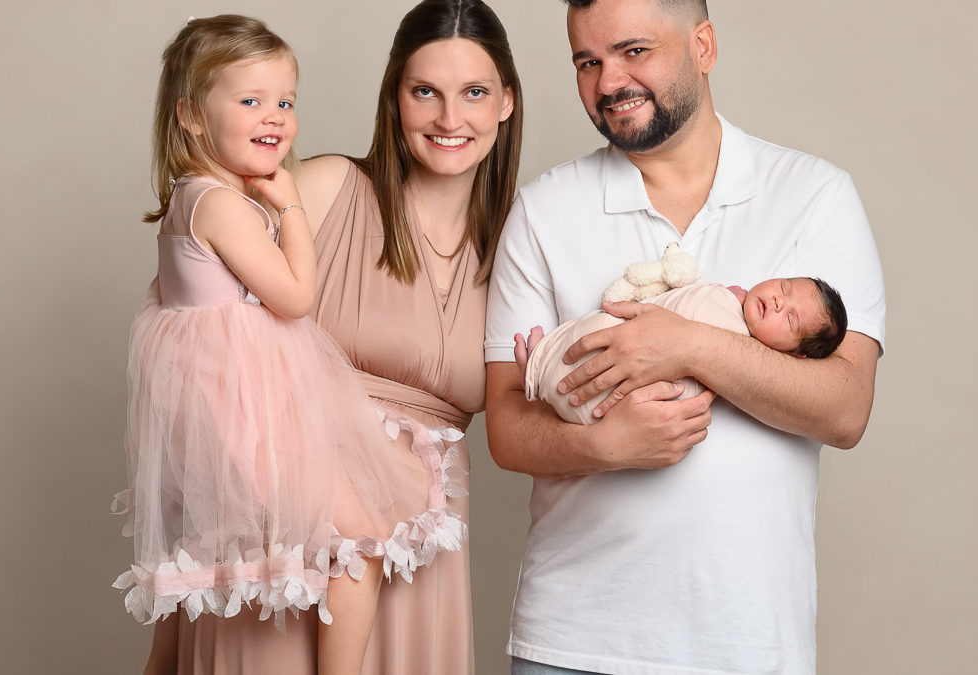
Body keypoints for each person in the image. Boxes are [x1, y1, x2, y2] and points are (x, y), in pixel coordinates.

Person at [484, 0, 885, 672]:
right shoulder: (544, 210)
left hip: (748, 642)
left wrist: (691, 345)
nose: (608, 81)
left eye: (633, 51)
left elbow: (845, 409)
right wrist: (602, 444)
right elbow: (504, 423)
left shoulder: (815, 195)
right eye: (588, 61)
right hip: (574, 640)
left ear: (703, 46)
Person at [115, 15, 466, 675]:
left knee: (185, 588)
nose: (274, 116)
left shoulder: (193, 201)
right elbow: (297, 297)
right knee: (361, 535)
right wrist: (291, 209)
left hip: (228, 423)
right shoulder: (220, 205)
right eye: (250, 101)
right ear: (191, 115)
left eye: (285, 101)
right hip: (244, 429)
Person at [295, 1, 522, 673]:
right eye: (425, 92)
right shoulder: (327, 189)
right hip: (303, 530)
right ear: (395, 96)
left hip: (426, 547)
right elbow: (207, 327)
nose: (450, 120)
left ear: (506, 102)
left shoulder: (519, 250)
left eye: (474, 93)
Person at [517, 277, 848, 425]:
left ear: (791, 354)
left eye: (790, 318)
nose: (778, 301)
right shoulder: (727, 297)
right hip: (589, 358)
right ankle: (541, 363)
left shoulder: (746, 359)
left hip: (606, 405)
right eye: (784, 287)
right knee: (598, 330)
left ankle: (540, 370)